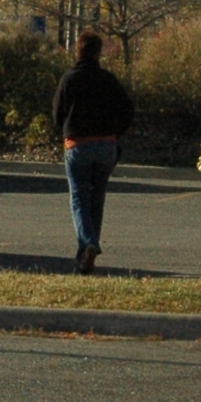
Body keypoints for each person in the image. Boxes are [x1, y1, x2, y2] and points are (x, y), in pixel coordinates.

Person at [51, 32, 136, 276]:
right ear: (98, 53)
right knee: (97, 198)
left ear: (77, 51)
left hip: (78, 145)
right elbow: (127, 110)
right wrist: (115, 132)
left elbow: (57, 115)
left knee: (79, 198)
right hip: (106, 144)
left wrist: (69, 126)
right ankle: (87, 254)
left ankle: (88, 244)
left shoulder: (69, 79)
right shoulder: (108, 79)